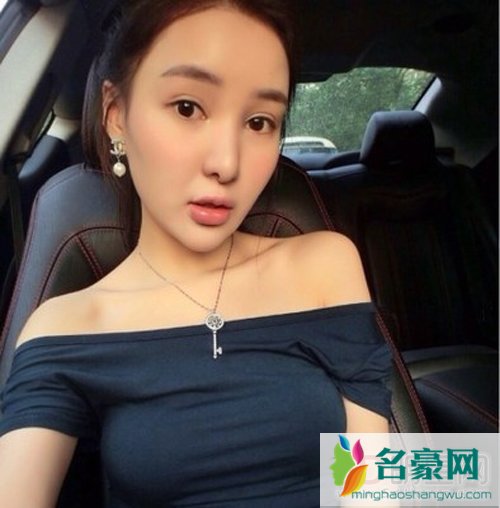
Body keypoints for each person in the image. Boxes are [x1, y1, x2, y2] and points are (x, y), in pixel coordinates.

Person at [0, 0, 392, 506]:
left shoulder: (324, 265)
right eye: (188, 108)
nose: (226, 163)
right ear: (116, 115)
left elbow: (374, 484)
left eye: (259, 122)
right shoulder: (66, 326)